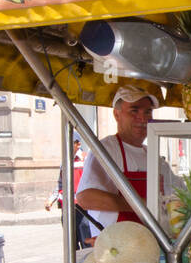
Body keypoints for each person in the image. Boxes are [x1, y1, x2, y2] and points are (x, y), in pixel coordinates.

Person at [76, 85, 177, 232]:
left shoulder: (154, 156)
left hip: (153, 242)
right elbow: (86, 198)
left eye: (148, 112)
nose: (142, 118)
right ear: (117, 115)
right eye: (134, 110)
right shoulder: (107, 149)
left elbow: (177, 192)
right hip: (116, 246)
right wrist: (143, 205)